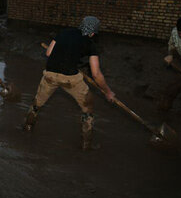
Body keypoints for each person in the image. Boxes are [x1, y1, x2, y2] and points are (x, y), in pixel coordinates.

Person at [24, 16, 115, 151]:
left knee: (37, 103)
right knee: (88, 106)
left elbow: (49, 53)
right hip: (70, 79)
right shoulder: (91, 44)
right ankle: (86, 144)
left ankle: (28, 126)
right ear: (93, 32)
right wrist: (108, 91)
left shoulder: (64, 32)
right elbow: (96, 74)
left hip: (49, 75)